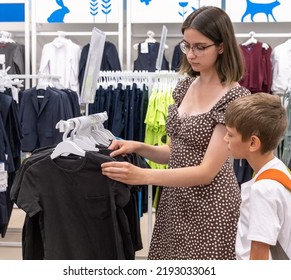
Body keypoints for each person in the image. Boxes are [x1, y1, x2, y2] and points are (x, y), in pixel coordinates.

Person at [101, 6, 250, 260]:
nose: (191, 54)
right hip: (175, 199)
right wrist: (138, 146)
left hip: (212, 205)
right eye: (186, 46)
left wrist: (142, 175)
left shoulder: (234, 97)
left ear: (222, 46)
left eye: (200, 47)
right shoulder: (184, 87)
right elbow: (173, 152)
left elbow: (206, 172)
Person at [224, 92, 291, 260]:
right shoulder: (280, 170)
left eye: (230, 134)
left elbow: (258, 258)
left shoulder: (264, 190)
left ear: (253, 143)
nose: (225, 139)